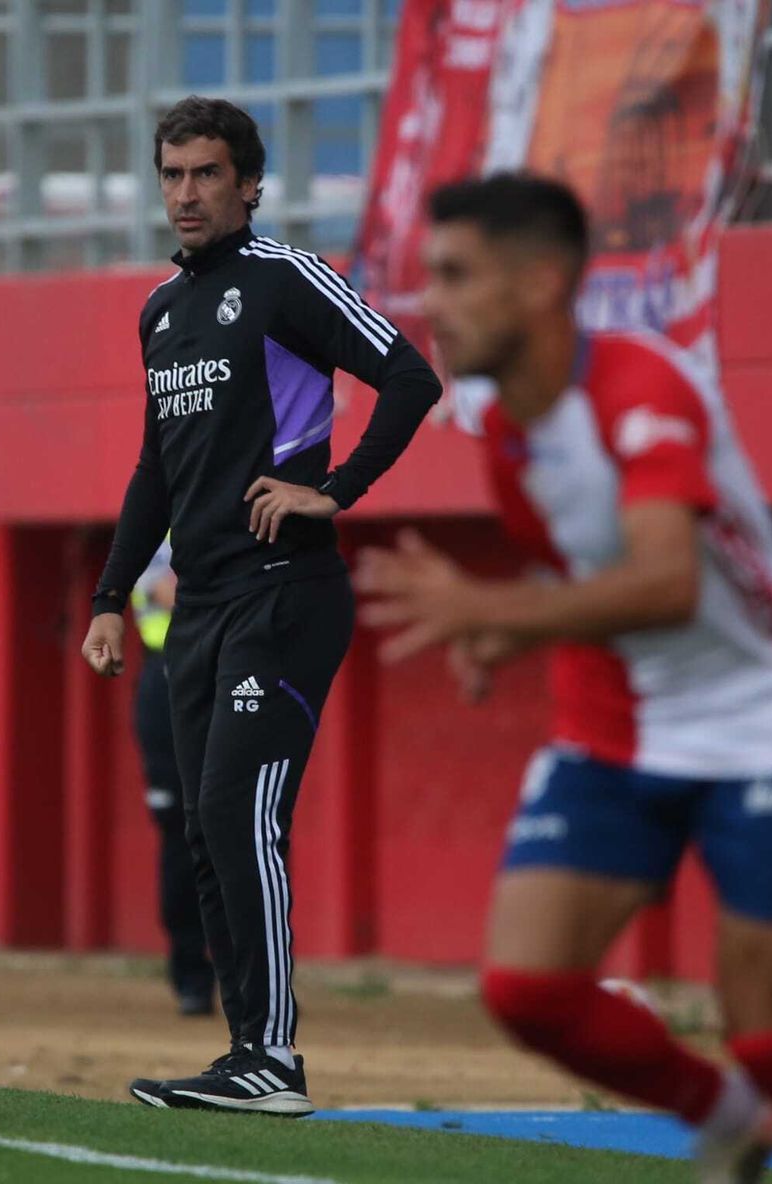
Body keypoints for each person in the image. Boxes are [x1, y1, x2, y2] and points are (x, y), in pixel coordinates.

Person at [355, 173, 772, 1183]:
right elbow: (573, 574)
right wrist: (505, 635)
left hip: (765, 715)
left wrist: (491, 610)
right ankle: (731, 1120)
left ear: (539, 283)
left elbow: (662, 580)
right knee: (527, 988)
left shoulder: (640, 390)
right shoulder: (505, 427)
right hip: (620, 709)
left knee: (770, 1033)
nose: (428, 300)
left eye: (453, 274)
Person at [80, 96, 441, 1116]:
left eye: (206, 174)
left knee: (243, 810)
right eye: (172, 175)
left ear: (248, 184)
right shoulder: (157, 312)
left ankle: (272, 1056)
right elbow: (156, 467)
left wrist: (337, 490)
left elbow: (409, 378)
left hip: (286, 592)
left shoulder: (284, 280)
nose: (187, 193)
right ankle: (245, 1051)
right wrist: (112, 594)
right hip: (196, 606)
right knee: (203, 826)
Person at [130, 536, 215, 1016]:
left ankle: (253, 977)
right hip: (166, 684)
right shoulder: (157, 526)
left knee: (242, 834)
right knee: (179, 837)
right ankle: (190, 974)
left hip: (225, 680)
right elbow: (168, 590)